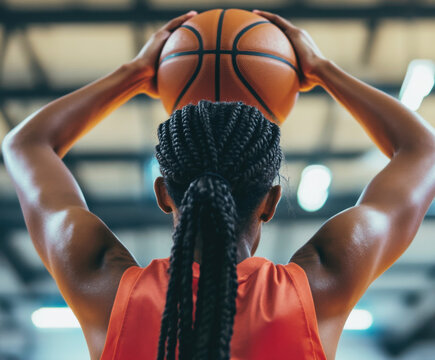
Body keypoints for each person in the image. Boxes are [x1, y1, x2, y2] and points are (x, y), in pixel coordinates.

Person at [2, 8, 435, 360]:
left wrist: (134, 72)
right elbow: (422, 150)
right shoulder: (323, 283)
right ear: (270, 201)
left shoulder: (104, 285)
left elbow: (26, 144)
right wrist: (321, 68)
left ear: (163, 195)